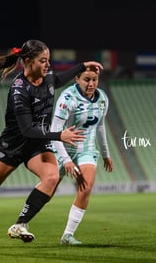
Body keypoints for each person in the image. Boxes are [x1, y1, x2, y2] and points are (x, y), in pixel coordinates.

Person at [0, 39, 103, 249]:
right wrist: (59, 135)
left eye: (48, 60)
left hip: (38, 145)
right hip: (13, 146)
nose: (47, 65)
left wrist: (82, 66)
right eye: (43, 61)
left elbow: (61, 78)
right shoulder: (19, 90)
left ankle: (20, 224)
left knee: (51, 177)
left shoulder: (47, 80)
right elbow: (27, 130)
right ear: (28, 61)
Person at [50, 70, 113, 245]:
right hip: (61, 148)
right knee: (48, 189)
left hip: (86, 149)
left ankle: (67, 235)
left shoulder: (102, 99)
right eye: (87, 79)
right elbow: (55, 130)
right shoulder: (68, 97)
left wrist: (106, 154)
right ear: (77, 79)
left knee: (86, 187)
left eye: (95, 79)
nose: (91, 83)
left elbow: (100, 126)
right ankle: (22, 222)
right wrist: (66, 160)